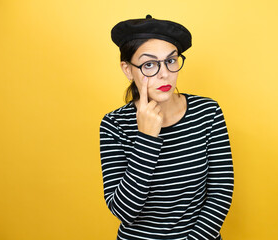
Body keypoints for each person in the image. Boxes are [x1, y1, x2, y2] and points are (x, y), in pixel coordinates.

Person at [100, 15, 234, 240]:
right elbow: (124, 211)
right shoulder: (114, 125)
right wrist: (146, 139)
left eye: (171, 61)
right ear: (127, 69)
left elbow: (220, 194)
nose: (164, 73)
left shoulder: (207, 112)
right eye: (149, 64)